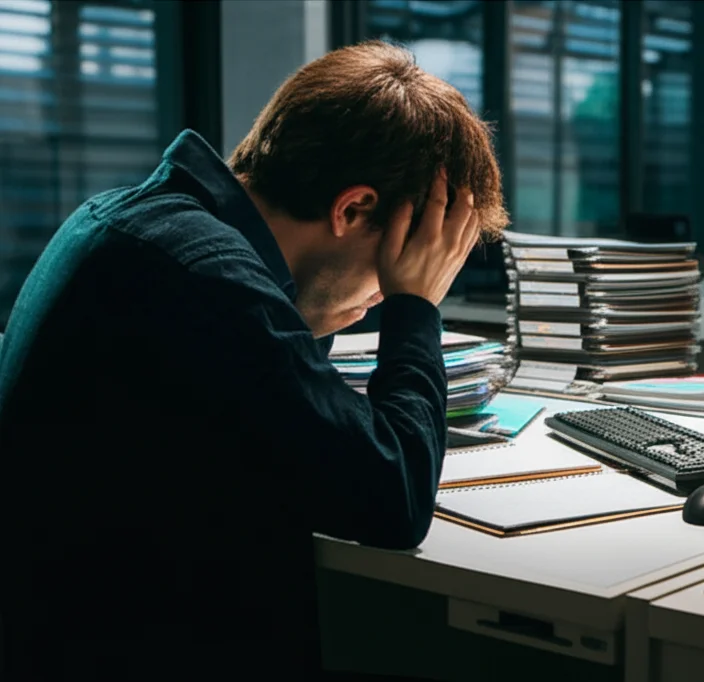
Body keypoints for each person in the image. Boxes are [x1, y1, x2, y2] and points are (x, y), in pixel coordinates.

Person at [0, 41, 508, 681]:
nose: (383, 291)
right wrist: (415, 308)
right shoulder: (210, 283)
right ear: (352, 209)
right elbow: (393, 501)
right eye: (397, 263)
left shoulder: (140, 223)